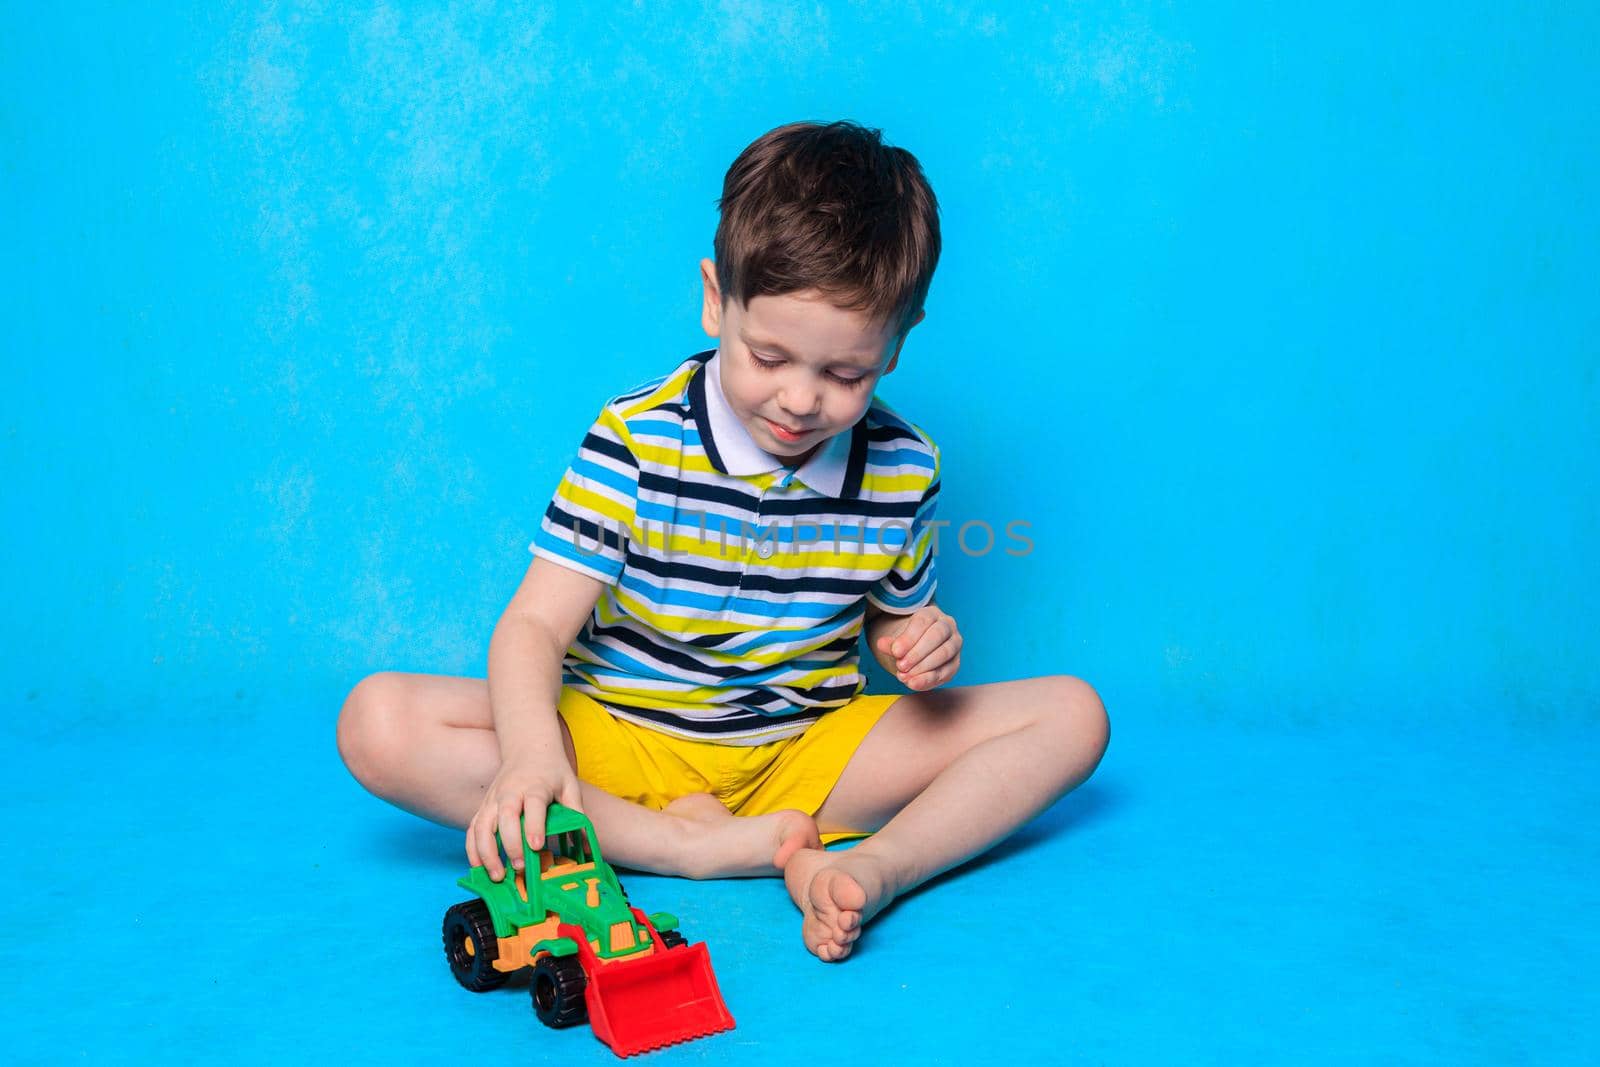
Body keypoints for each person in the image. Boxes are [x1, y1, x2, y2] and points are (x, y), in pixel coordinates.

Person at [336, 120, 1109, 962]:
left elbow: (890, 621)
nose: (800, 399)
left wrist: (915, 639)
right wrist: (530, 761)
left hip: (802, 749)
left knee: (1075, 714)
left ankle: (878, 868)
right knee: (378, 720)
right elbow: (533, 627)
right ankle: (683, 846)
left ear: (900, 339)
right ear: (717, 300)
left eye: (845, 373)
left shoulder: (905, 466)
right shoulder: (636, 440)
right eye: (768, 355)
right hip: (618, 735)